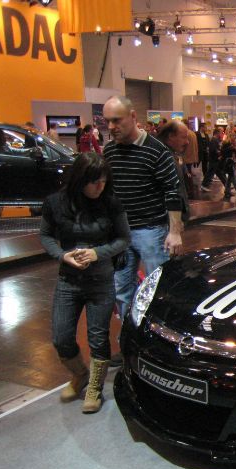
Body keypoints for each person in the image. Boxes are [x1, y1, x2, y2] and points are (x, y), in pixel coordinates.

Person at [39, 153, 130, 413]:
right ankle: (80, 374)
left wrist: (96, 253)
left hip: (101, 280)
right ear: (80, 179)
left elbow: (124, 239)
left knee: (98, 338)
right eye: (94, 182)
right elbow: (45, 235)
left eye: (103, 181)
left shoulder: (111, 202)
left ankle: (95, 388)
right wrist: (62, 255)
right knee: (61, 337)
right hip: (68, 280)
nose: (99, 187)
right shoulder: (56, 203)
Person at [102, 95, 183, 329]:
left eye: (117, 120)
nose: (111, 126)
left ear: (133, 117)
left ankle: (157, 337)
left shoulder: (157, 151)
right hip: (121, 233)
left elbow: (172, 192)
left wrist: (174, 232)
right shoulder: (110, 151)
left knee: (157, 289)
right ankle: (130, 335)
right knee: (121, 290)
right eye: (107, 121)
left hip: (152, 231)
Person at [156, 121, 192, 223]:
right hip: (166, 221)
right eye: (183, 137)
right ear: (171, 136)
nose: (187, 142)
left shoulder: (167, 154)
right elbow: (172, 192)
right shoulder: (164, 157)